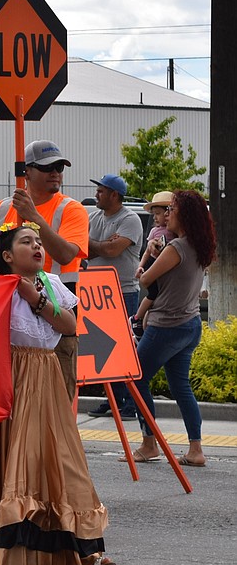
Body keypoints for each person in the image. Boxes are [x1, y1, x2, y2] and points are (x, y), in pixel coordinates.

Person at [0, 223, 113, 565]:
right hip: (5, 379)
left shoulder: (51, 285)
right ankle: (11, 551)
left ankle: (83, 551)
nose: (38, 247)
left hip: (44, 378)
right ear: (8, 255)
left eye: (39, 242)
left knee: (61, 459)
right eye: (27, 242)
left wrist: (36, 298)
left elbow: (70, 325)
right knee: (13, 459)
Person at [0, 140, 88, 398]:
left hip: (55, 321)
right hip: (8, 326)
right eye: (48, 167)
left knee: (55, 408)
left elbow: (66, 253)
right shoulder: (1, 210)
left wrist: (34, 217)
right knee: (10, 406)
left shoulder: (71, 209)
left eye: (60, 167)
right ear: (27, 172)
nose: (56, 172)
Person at [126, 190, 215, 468]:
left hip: (166, 326)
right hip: (190, 325)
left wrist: (150, 258)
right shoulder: (201, 247)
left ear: (184, 215)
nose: (167, 215)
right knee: (181, 386)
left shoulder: (176, 248)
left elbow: (144, 280)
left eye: (172, 209)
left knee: (136, 378)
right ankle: (195, 449)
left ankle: (149, 442)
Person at [85, 174, 143, 419]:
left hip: (123, 290)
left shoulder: (130, 219)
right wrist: (100, 244)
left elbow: (112, 250)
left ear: (115, 195)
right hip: (95, 291)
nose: (97, 194)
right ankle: (114, 400)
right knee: (103, 350)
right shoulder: (93, 217)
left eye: (101, 191)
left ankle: (129, 403)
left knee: (124, 347)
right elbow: (80, 246)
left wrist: (94, 244)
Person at [132, 191, 175, 330]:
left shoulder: (176, 232)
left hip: (164, 271)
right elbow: (146, 252)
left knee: (155, 305)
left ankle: (141, 330)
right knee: (153, 294)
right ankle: (136, 318)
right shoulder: (154, 231)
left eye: (158, 213)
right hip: (154, 265)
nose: (155, 217)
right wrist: (141, 266)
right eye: (154, 214)